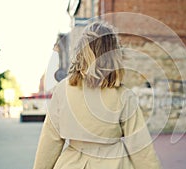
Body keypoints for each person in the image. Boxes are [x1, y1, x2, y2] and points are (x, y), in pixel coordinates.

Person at [33, 21, 161, 169]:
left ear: (81, 52)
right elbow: (140, 148)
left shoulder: (62, 90)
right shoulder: (123, 95)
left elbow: (50, 140)